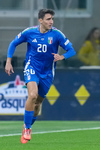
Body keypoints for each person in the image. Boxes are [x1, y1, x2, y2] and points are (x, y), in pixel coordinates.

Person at [5, 9, 76, 144]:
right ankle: (27, 128)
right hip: (32, 68)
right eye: (48, 19)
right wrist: (8, 62)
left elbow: (72, 50)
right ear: (40, 20)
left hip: (48, 72)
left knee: (37, 104)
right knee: (32, 95)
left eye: (52, 19)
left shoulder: (57, 34)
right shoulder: (29, 32)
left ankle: (28, 124)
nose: (51, 21)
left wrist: (62, 56)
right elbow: (13, 43)